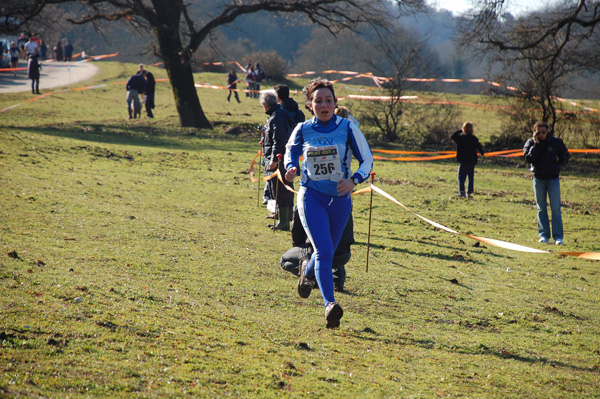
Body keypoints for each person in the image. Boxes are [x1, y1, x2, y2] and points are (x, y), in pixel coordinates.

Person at [284, 78, 373, 329]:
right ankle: (329, 306)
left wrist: (354, 180)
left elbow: (367, 160)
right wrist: (290, 168)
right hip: (312, 196)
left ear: (335, 103)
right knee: (324, 250)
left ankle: (307, 271)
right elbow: (291, 151)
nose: (324, 105)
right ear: (310, 105)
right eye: (318, 101)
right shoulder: (302, 129)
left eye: (328, 100)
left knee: (329, 252)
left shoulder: (347, 128)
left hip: (341, 200)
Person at [281, 207, 354, 292]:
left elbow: (297, 232)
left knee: (284, 260)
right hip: (344, 255)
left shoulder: (308, 200)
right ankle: (337, 281)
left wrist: (299, 248)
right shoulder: (344, 200)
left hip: (317, 254)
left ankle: (312, 278)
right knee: (334, 245)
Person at [523, 121, 570, 245]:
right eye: (539, 132)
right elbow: (528, 158)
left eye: (544, 132)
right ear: (535, 132)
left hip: (553, 179)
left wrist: (559, 159)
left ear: (547, 131)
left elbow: (566, 156)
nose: (542, 135)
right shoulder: (531, 143)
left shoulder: (556, 143)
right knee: (541, 208)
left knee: (555, 208)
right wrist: (536, 145)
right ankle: (544, 236)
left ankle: (558, 237)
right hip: (538, 179)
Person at [259, 90, 294, 231]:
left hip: (279, 160)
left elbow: (279, 140)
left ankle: (284, 222)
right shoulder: (278, 114)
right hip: (279, 158)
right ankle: (282, 218)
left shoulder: (277, 116)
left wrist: (274, 159)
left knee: (280, 190)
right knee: (276, 190)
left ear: (265, 104)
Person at [451, 122, 485, 198]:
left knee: (461, 177)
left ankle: (462, 192)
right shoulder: (474, 139)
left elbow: (452, 136)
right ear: (472, 130)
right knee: (470, 176)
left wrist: (461, 130)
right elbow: (480, 148)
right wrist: (482, 152)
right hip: (472, 161)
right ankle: (470, 192)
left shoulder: (461, 138)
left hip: (463, 160)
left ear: (464, 129)